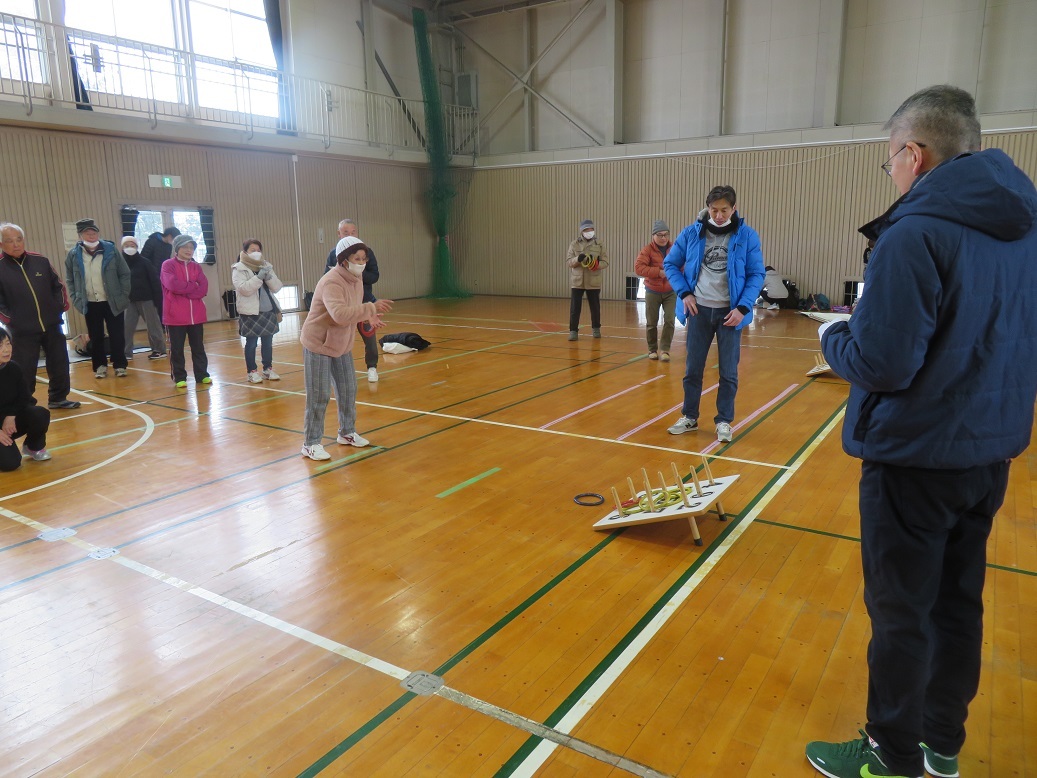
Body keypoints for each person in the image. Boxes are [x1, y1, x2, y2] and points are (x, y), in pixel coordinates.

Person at [807, 86, 1037, 778]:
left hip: (914, 456)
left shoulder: (914, 234)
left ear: (914, 153)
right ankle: (941, 744)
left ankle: (892, 754)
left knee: (901, 614)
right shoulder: (1024, 228)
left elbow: (882, 361)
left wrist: (833, 338)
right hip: (987, 449)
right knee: (956, 604)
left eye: (890, 161)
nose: (893, 174)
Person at [663, 186, 765, 443]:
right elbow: (671, 264)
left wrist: (743, 307)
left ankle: (723, 421)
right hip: (698, 310)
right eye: (714, 210)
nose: (719, 216)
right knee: (692, 369)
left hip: (731, 313)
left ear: (734, 209)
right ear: (708, 208)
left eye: (724, 210)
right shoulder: (691, 233)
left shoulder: (747, 236)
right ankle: (689, 416)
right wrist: (685, 293)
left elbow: (756, 274)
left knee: (728, 372)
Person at [300, 236, 392, 461]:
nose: (361, 263)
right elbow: (340, 314)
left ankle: (347, 432)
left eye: (364, 259)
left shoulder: (356, 279)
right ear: (343, 260)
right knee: (319, 394)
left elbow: (353, 309)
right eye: (356, 259)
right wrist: (370, 308)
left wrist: (368, 316)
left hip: (341, 343)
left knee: (348, 388)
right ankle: (311, 443)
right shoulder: (331, 282)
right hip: (319, 343)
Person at [0, 223, 80, 409]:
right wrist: (11, 320)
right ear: (1, 244)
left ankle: (58, 398)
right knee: (24, 369)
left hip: (52, 325)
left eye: (19, 239)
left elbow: (58, 286)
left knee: (59, 363)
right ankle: (25, 404)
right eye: (10, 241)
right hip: (21, 331)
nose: (16, 244)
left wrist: (59, 307)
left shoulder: (40, 261)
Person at [64, 218, 131, 379]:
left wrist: (123, 295)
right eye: (87, 232)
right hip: (90, 302)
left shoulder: (111, 250)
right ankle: (100, 366)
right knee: (96, 336)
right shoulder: (73, 255)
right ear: (80, 235)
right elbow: (70, 279)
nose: (91, 235)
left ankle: (120, 365)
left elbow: (124, 273)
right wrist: (76, 297)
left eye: (94, 232)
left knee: (117, 335)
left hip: (113, 301)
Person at [325, 219, 381, 382]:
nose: (350, 235)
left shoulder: (367, 252)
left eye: (353, 232)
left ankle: (372, 367)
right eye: (345, 232)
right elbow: (325, 277)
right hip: (343, 305)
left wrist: (357, 271)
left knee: (369, 337)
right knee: (338, 338)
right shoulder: (333, 254)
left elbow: (375, 276)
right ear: (339, 234)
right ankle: (336, 373)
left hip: (363, 303)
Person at [161, 234, 210, 389]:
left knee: (198, 347)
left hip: (196, 315)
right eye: (185, 247)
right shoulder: (168, 265)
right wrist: (193, 286)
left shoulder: (196, 266)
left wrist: (188, 291)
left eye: (191, 247)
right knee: (177, 349)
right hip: (175, 316)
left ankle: (202, 374)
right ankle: (179, 377)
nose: (189, 250)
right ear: (177, 248)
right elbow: (172, 285)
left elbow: (203, 288)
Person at [0, 327, 52, 470]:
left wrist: (11, 416)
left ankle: (33, 447)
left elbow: (24, 396)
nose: (6, 349)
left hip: (8, 422)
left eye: (8, 343)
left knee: (40, 414)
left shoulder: (13, 368)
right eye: (0, 345)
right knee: (11, 464)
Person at [232, 238, 283, 383]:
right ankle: (252, 371)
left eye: (258, 250)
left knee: (268, 343)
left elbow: (277, 287)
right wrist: (258, 278)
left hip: (268, 310)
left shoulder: (266, 265)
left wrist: (268, 277)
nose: (256, 252)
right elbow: (244, 289)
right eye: (252, 250)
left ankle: (268, 369)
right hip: (250, 312)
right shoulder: (239, 268)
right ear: (245, 251)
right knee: (251, 343)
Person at [120, 235, 166, 361]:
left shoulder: (145, 262)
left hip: (147, 299)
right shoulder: (119, 263)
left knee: (153, 326)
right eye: (127, 245)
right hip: (129, 301)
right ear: (122, 247)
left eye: (132, 245)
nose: (130, 247)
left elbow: (155, 281)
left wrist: (158, 300)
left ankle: (159, 350)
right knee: (127, 328)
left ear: (137, 247)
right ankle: (126, 352)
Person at [634, 219, 675, 361]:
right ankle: (652, 349)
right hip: (652, 291)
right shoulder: (647, 250)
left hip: (671, 291)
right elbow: (639, 268)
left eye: (666, 235)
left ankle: (665, 350)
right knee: (652, 322)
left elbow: (682, 265)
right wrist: (658, 272)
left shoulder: (675, 248)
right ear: (653, 235)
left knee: (670, 320)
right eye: (660, 235)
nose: (663, 238)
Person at [566, 219, 608, 341]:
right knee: (575, 308)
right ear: (582, 231)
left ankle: (596, 329)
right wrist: (577, 259)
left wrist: (596, 264)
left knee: (595, 308)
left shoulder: (599, 244)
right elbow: (569, 262)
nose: (589, 232)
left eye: (591, 229)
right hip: (577, 282)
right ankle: (573, 331)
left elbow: (605, 262)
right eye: (586, 230)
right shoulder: (574, 244)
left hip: (593, 281)